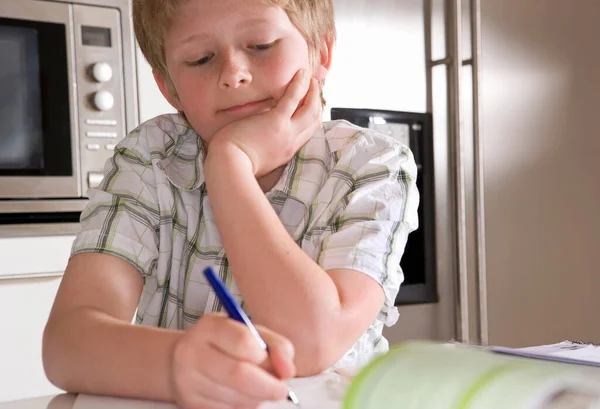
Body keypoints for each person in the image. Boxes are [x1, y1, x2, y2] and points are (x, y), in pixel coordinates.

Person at [42, 0, 419, 408]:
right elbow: (67, 345)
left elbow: (313, 343)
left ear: (321, 52)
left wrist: (228, 164)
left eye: (260, 45)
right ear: (169, 87)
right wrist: (175, 365)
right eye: (201, 58)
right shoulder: (150, 157)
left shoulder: (373, 164)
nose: (233, 74)